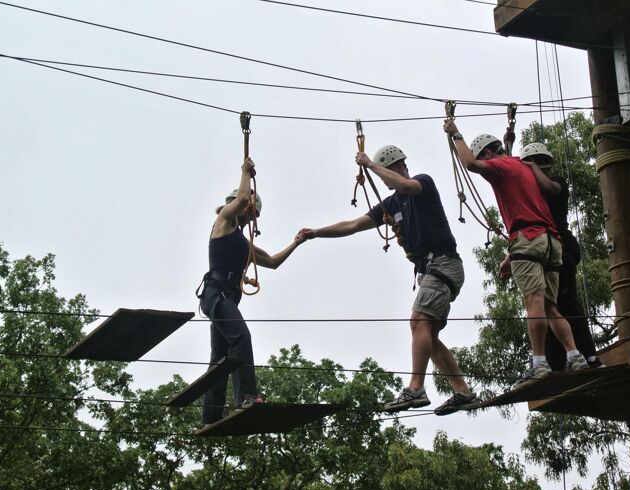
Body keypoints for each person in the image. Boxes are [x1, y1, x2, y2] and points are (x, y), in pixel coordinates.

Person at [300, 146, 476, 415]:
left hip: (442, 263)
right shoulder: (390, 206)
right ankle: (462, 391)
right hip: (432, 269)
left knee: (418, 322)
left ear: (399, 167)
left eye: (389, 173)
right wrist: (316, 233)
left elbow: (406, 185)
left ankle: (416, 388)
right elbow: (352, 225)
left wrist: (370, 165)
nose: (388, 180)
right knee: (428, 334)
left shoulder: (422, 184)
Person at [442, 119, 589, 384]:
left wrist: (456, 134)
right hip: (551, 241)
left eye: (485, 159)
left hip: (528, 237)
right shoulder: (522, 166)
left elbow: (471, 164)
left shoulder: (500, 165)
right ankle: (575, 355)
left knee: (533, 302)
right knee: (550, 306)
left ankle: (540, 363)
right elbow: (510, 171)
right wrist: (508, 142)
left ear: (488, 154)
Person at [199, 157, 306, 425]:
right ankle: (246, 397)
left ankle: (211, 414)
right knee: (241, 337)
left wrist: (296, 243)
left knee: (220, 357)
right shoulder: (224, 220)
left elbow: (272, 262)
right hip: (216, 294)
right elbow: (243, 196)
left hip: (226, 299)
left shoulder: (243, 242)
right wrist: (244, 172)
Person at [513, 142, 602, 370]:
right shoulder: (533, 192)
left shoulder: (556, 183)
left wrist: (532, 168)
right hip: (546, 250)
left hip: (561, 249)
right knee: (545, 307)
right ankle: (555, 361)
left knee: (566, 305)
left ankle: (588, 355)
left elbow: (550, 189)